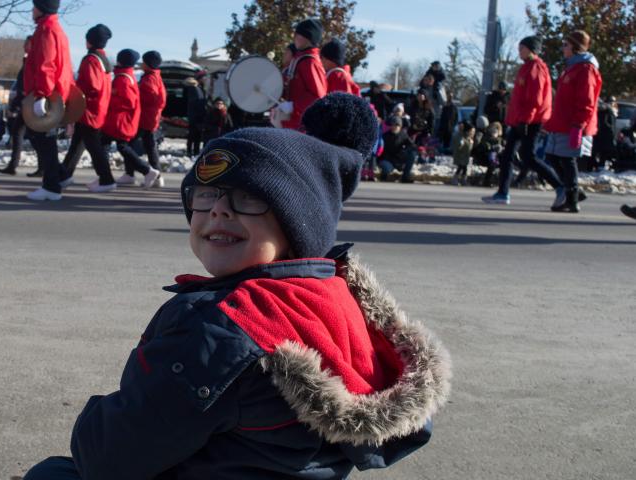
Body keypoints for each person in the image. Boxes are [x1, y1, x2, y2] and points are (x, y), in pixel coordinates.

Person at [22, 93, 450, 480]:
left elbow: (110, 457)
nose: (219, 211)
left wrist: (93, 422)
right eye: (205, 195)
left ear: (298, 223)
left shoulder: (221, 327)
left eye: (247, 198)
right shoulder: (332, 295)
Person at [483, 36, 560, 206]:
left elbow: (535, 98)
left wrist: (525, 120)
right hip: (521, 120)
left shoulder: (536, 68)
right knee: (508, 155)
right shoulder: (526, 67)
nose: (519, 51)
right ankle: (503, 193)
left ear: (532, 49)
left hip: (531, 120)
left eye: (522, 48)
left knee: (528, 157)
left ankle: (560, 186)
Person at [544, 30, 602, 213]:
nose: (563, 48)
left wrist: (579, 123)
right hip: (561, 122)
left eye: (566, 45)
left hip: (573, 123)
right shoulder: (571, 67)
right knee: (552, 156)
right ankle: (574, 192)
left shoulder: (586, 69)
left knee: (567, 159)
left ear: (576, 47)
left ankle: (573, 198)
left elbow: (587, 99)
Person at [24, 0, 73, 201]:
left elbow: (46, 65)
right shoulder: (55, 28)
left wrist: (42, 95)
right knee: (44, 139)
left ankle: (52, 186)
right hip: (54, 93)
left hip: (46, 94)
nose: (32, 10)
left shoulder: (46, 29)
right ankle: (59, 176)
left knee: (43, 139)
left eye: (34, 6)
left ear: (41, 8)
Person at [60, 24, 115, 190]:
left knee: (92, 145)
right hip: (96, 109)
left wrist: (74, 89)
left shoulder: (91, 59)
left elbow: (92, 85)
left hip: (88, 109)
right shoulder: (103, 59)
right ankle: (64, 176)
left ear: (89, 40)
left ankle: (107, 179)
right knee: (78, 143)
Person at [100, 48, 160, 189]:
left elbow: (130, 101)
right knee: (122, 146)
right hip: (123, 120)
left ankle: (107, 178)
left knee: (113, 146)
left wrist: (110, 97)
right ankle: (138, 172)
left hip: (119, 120)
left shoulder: (125, 79)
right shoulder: (129, 77)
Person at [280, 18, 326, 130]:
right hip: (293, 122)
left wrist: (293, 106)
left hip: (302, 126)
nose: (294, 37)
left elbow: (318, 97)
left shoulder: (310, 62)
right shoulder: (299, 59)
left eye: (298, 34)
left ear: (308, 38)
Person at [0, 35, 32, 176]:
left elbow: (25, 85)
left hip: (28, 103)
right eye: (25, 43)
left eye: (28, 44)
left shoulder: (31, 62)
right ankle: (13, 165)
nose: (25, 45)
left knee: (24, 133)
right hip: (26, 102)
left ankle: (13, 165)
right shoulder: (27, 61)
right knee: (21, 133)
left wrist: (18, 104)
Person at [133, 50, 167, 187]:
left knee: (130, 145)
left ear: (148, 64)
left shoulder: (149, 79)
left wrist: (137, 91)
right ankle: (156, 176)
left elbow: (150, 98)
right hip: (151, 117)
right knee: (149, 146)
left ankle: (151, 174)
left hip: (146, 117)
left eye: (144, 61)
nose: (142, 64)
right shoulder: (155, 76)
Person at [379, 116, 415, 182]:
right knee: (386, 167)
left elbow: (411, 145)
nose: (394, 127)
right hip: (387, 160)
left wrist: (406, 150)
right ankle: (384, 175)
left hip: (399, 159)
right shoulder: (385, 136)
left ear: (400, 126)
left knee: (412, 154)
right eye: (393, 125)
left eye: (397, 125)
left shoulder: (403, 134)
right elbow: (382, 152)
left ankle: (405, 177)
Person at [590, 96, 617, 172]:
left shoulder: (608, 109)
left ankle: (595, 165)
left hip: (602, 133)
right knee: (603, 151)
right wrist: (609, 129)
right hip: (605, 134)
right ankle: (598, 166)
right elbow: (606, 123)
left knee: (598, 151)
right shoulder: (608, 110)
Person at [183, 76, 206, 156]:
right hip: (198, 116)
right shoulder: (197, 89)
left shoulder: (192, 89)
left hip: (194, 117)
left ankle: (190, 151)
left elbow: (192, 104)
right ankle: (195, 151)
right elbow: (198, 104)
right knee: (197, 136)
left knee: (192, 135)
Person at [450, 122, 475, 186]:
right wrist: (461, 144)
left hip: (465, 157)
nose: (472, 133)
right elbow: (458, 146)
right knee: (460, 167)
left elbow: (469, 148)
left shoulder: (468, 137)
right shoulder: (461, 137)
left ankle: (463, 179)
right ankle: (456, 179)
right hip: (460, 156)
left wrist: (471, 143)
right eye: (471, 131)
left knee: (464, 168)